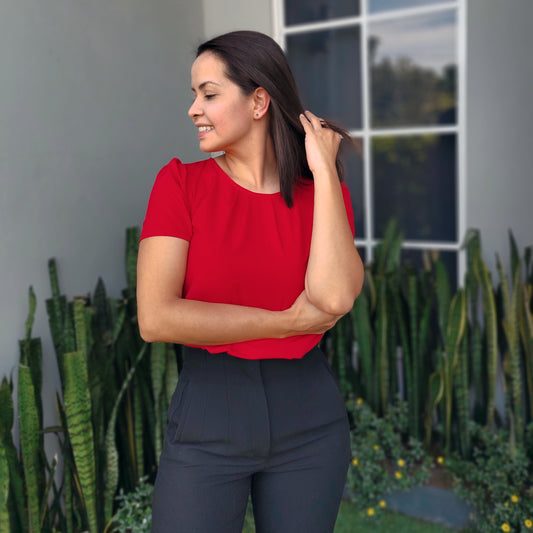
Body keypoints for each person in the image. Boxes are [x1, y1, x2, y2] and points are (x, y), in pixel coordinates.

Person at [136, 30, 364, 533]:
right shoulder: (180, 185)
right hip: (209, 410)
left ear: (259, 100)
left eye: (209, 94)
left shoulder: (321, 197)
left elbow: (333, 297)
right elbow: (156, 317)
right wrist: (286, 323)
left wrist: (323, 170)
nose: (194, 109)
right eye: (194, 95)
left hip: (309, 415)